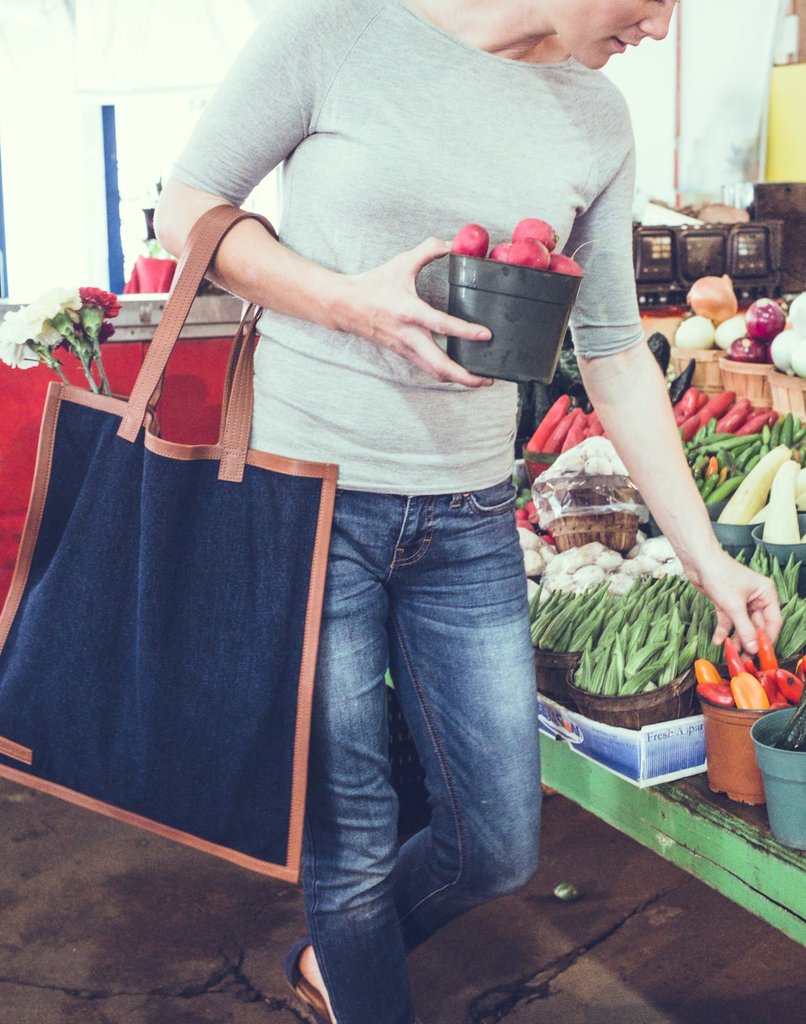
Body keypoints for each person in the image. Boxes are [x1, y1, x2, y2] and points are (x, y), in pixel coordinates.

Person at [155, 2, 781, 1021]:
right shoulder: (336, 30)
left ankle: (338, 959)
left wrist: (707, 557)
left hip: (467, 515)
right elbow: (184, 211)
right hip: (310, 499)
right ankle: (358, 978)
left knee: (496, 838)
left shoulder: (596, 117)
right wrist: (346, 301)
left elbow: (614, 353)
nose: (663, 26)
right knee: (349, 838)